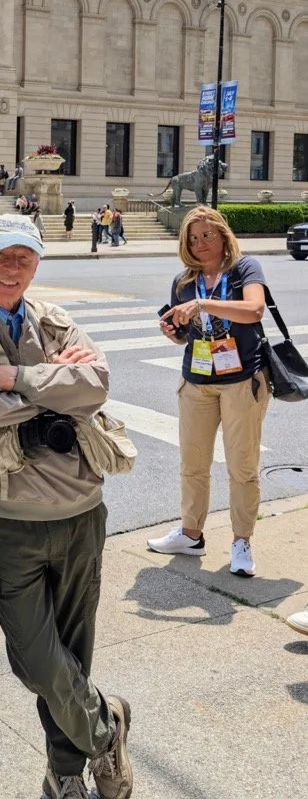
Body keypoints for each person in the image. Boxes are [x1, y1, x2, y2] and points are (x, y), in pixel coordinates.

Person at [0, 213, 133, 799]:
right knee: (38, 659)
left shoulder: (53, 318)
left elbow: (96, 383)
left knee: (75, 649)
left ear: (37, 264)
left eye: (25, 257)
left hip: (80, 511)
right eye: (0, 256)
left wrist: (13, 379)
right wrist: (53, 387)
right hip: (8, 518)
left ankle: (67, 775)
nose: (12, 268)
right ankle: (107, 726)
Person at [149, 206, 268, 577]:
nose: (200, 244)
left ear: (222, 236)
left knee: (242, 467)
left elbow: (254, 310)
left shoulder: (245, 269)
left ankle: (241, 541)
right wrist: (172, 333)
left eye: (207, 235)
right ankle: (190, 534)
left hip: (241, 381)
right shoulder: (184, 281)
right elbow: (185, 333)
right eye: (193, 238)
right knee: (194, 464)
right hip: (197, 382)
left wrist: (203, 303)